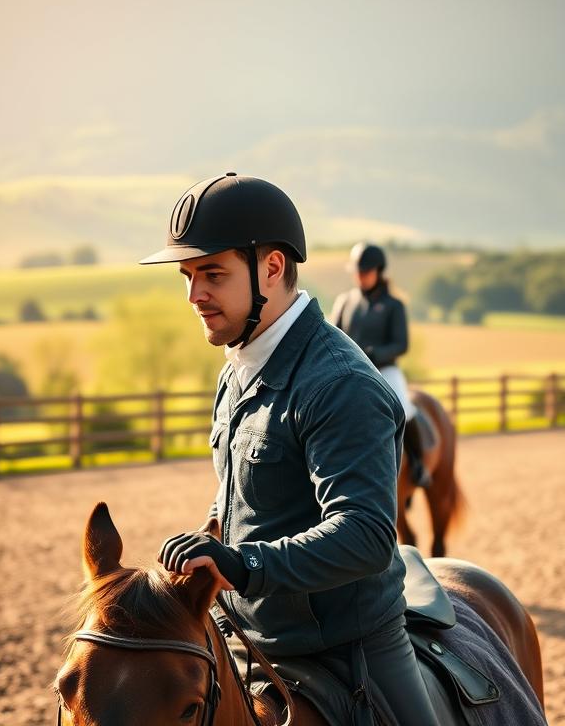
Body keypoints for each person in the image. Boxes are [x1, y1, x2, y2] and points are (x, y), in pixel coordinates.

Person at [140, 173, 439, 726]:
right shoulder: (240, 366)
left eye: (212, 273)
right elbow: (250, 495)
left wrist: (245, 563)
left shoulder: (341, 385)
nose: (193, 295)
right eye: (187, 276)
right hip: (243, 634)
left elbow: (368, 536)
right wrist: (210, 539)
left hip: (351, 649)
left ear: (271, 269)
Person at [331, 242, 430, 488]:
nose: (360, 276)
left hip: (385, 370)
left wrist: (372, 354)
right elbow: (332, 336)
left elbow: (401, 344)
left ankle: (418, 464)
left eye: (365, 272)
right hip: (351, 371)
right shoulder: (345, 301)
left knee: (405, 408)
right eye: (357, 272)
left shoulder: (394, 305)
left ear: (379, 271)